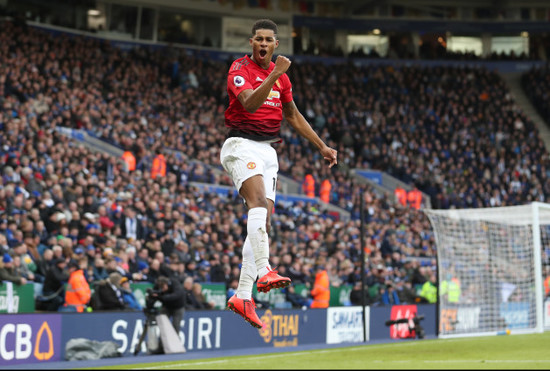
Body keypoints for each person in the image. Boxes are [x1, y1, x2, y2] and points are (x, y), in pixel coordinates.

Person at [220, 18, 337, 328]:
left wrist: (322, 147)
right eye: (258, 39)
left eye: (268, 40)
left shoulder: (283, 80)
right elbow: (248, 105)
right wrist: (273, 75)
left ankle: (243, 295)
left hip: (268, 151)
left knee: (263, 222)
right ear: (251, 43)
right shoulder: (240, 69)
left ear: (276, 45)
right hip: (241, 143)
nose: (262, 44)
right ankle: (265, 270)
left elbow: (293, 116)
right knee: (257, 205)